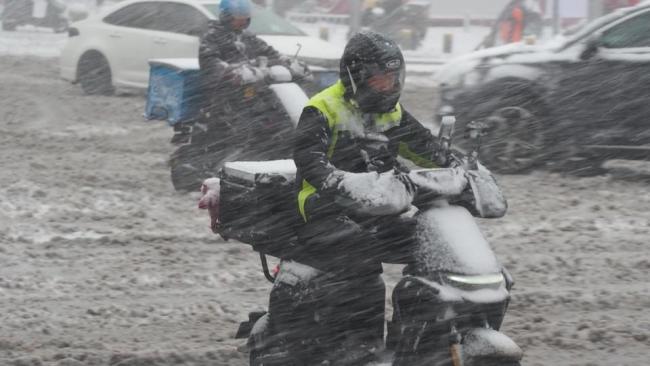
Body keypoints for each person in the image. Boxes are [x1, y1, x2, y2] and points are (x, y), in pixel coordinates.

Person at [267, 31, 448, 364]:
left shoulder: (391, 112)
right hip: (323, 209)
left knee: (434, 244)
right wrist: (337, 181)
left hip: (375, 206)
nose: (389, 86)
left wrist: (459, 164)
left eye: (394, 78)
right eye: (380, 79)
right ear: (355, 76)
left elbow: (424, 147)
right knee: (361, 255)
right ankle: (360, 346)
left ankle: (422, 337)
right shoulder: (322, 108)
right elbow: (309, 160)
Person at [197, 0, 285, 146]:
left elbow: (268, 52)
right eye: (238, 16)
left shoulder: (248, 37)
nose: (243, 20)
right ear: (226, 16)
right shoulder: (212, 37)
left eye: (245, 16)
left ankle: (270, 140)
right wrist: (232, 70)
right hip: (222, 90)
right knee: (230, 124)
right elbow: (210, 62)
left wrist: (283, 60)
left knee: (273, 107)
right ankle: (221, 148)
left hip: (250, 88)